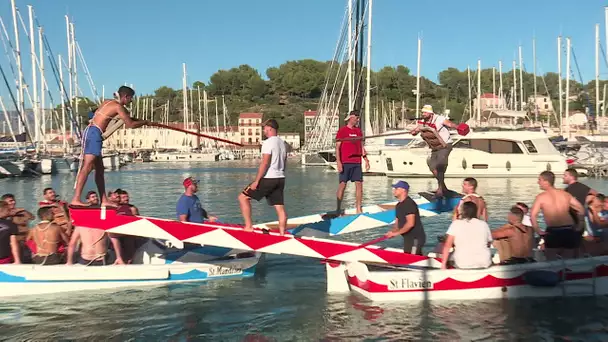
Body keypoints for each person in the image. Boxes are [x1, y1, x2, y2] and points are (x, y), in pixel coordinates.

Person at [71, 86, 148, 207]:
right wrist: (145, 122)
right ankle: (76, 198)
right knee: (87, 166)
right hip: (93, 133)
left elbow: (92, 113)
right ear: (125, 97)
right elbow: (130, 124)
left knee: (100, 170)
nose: (131, 101)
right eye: (131, 98)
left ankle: (104, 200)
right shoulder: (118, 107)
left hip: (93, 132)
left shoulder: (107, 102)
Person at [239, 119, 288, 235]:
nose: (263, 130)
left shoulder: (268, 142)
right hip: (280, 178)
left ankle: (248, 226)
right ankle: (282, 234)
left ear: (270, 128)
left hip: (269, 178)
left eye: (265, 128)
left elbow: (265, 163)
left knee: (243, 197)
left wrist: (256, 181)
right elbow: (285, 162)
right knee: (280, 208)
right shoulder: (283, 143)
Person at [530, 171, 585, 260]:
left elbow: (533, 215)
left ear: (546, 181)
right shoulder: (565, 194)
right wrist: (580, 224)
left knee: (550, 258)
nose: (538, 182)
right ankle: (566, 273)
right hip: (569, 229)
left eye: (539, 180)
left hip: (553, 230)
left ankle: (554, 273)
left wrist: (538, 230)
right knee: (568, 259)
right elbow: (581, 209)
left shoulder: (541, 197)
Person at [410, 105, 461, 198]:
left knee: (440, 166)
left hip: (445, 145)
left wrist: (458, 127)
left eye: (425, 112)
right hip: (435, 147)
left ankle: (440, 190)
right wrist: (413, 132)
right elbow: (416, 131)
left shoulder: (440, 119)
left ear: (430, 113)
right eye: (422, 112)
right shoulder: (423, 123)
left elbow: (450, 124)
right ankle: (443, 187)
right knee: (432, 166)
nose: (423, 114)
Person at [335, 111, 370, 214]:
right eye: (356, 118)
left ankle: (358, 208)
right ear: (351, 117)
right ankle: (338, 209)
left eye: (358, 118)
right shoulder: (342, 131)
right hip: (345, 161)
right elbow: (337, 147)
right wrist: (338, 162)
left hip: (356, 161)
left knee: (359, 185)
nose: (358, 120)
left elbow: (361, 146)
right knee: (342, 185)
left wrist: (366, 159)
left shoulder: (359, 131)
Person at [441, 201, 492, 270]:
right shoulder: (484, 224)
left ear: (463, 211)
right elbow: (488, 243)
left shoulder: (456, 224)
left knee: (450, 256)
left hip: (463, 263)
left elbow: (447, 245)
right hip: (484, 262)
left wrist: (443, 265)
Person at [384, 181, 426, 255]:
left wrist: (396, 233)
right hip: (407, 238)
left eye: (396, 188)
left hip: (415, 238)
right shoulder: (398, 206)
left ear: (403, 190)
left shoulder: (409, 204)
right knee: (409, 255)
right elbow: (397, 222)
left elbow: (410, 223)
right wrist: (392, 232)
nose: (394, 190)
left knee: (412, 259)